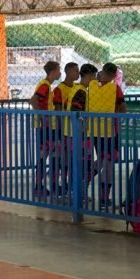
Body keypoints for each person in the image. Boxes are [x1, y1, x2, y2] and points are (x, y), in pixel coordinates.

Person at [86, 62, 126, 208]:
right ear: (115, 75)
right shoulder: (114, 88)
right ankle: (104, 197)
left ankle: (85, 180)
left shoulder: (92, 86)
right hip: (110, 131)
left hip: (95, 130)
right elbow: (123, 108)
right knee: (109, 163)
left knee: (102, 160)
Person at [63, 64, 98, 195]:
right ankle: (77, 192)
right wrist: (83, 132)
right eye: (94, 77)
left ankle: (74, 191)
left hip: (71, 133)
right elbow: (77, 113)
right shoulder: (81, 92)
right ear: (89, 76)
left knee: (75, 164)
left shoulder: (75, 89)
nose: (95, 80)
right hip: (78, 135)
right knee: (81, 165)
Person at [29, 60, 61, 198]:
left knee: (52, 155)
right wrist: (43, 118)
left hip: (49, 126)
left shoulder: (47, 85)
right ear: (54, 71)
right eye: (59, 70)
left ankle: (48, 184)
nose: (60, 73)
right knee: (44, 156)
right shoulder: (45, 85)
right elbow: (34, 100)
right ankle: (38, 186)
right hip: (46, 127)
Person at [52, 62, 79, 196]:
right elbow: (58, 113)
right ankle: (57, 184)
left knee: (71, 159)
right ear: (67, 72)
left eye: (78, 70)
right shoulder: (59, 89)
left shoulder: (77, 88)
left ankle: (68, 184)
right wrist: (60, 132)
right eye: (75, 71)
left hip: (73, 130)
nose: (78, 73)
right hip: (63, 130)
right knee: (61, 158)